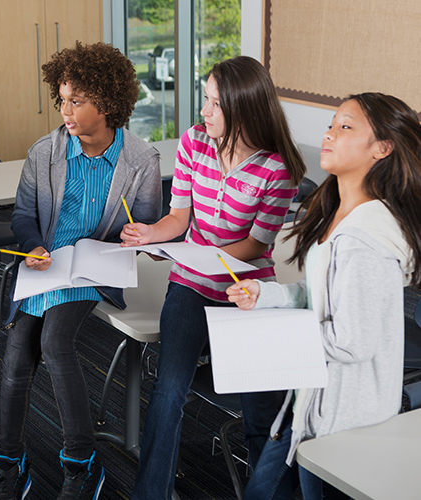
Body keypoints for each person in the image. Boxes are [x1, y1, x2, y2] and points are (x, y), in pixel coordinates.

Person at [123, 56, 307, 500]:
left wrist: (207, 256)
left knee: (261, 416)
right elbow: (179, 217)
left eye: (214, 104)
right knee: (168, 394)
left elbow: (256, 247)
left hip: (247, 290)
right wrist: (151, 233)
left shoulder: (276, 170)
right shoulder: (193, 143)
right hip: (189, 285)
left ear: (245, 108)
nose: (203, 112)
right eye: (205, 100)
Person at [0, 41, 164, 500]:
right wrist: (32, 246)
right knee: (14, 358)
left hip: (94, 270)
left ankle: (82, 463)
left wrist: (137, 236)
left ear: (107, 103)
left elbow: (147, 225)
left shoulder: (141, 160)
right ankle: (9, 464)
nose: (65, 111)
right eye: (63, 99)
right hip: (45, 266)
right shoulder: (43, 152)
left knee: (54, 340)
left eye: (77, 101)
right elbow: (24, 216)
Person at [232, 92, 421, 499]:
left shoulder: (366, 241)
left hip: (343, 419)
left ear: (382, 148)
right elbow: (320, 294)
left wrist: (269, 338)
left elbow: (352, 341)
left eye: (345, 127)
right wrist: (266, 296)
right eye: (332, 124)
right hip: (310, 403)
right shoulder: (337, 213)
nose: (329, 134)